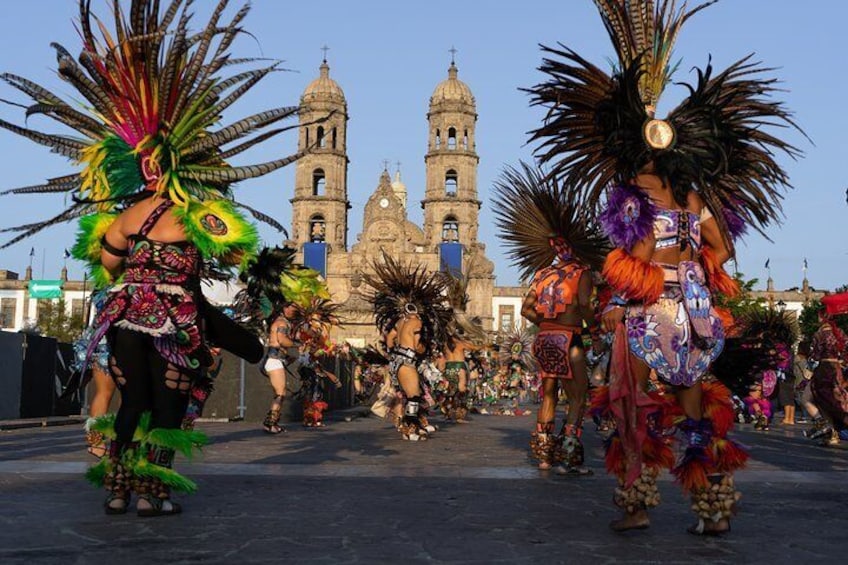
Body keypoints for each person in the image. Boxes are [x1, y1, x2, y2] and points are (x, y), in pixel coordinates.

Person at [0, 1, 305, 516]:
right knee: (167, 406)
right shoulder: (195, 216)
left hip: (123, 319)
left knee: (132, 404)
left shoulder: (125, 219)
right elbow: (233, 250)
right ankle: (153, 491)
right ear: (183, 164)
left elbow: (111, 266)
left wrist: (140, 264)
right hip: (177, 324)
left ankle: (117, 487)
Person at [525, 1, 801, 535]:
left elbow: (644, 251)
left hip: (649, 314)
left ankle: (636, 504)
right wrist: (694, 275)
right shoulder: (695, 196)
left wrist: (623, 299)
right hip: (696, 315)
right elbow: (721, 251)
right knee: (696, 411)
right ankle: (714, 508)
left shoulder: (636, 193)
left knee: (633, 409)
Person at [492, 162, 608, 475]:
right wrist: (593, 332)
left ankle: (544, 455)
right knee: (578, 396)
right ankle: (569, 456)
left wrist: (545, 321)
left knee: (547, 395)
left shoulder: (542, 274)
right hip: (569, 338)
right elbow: (584, 306)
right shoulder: (581, 273)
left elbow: (526, 309)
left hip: (544, 339)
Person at [364, 253, 452, 441]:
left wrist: (391, 353)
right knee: (414, 397)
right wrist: (427, 349)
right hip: (408, 360)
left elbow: (389, 338)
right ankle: (408, 428)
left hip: (397, 361)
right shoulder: (417, 322)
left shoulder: (399, 322)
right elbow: (417, 346)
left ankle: (415, 425)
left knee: (409, 395)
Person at [808, 306, 848, 446]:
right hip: (837, 369)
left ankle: (825, 425)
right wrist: (841, 362)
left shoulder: (820, 333)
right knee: (833, 400)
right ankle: (833, 434)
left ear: (823, 317)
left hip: (824, 369)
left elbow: (815, 355)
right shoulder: (840, 333)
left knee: (817, 399)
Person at [262, 303, 300, 434]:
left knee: (280, 393)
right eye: (291, 307)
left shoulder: (282, 322)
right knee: (280, 393)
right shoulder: (282, 323)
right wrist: (296, 345)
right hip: (274, 360)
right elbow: (282, 340)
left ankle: (273, 422)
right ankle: (270, 423)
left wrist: (288, 357)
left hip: (276, 360)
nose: (293, 310)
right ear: (284, 308)